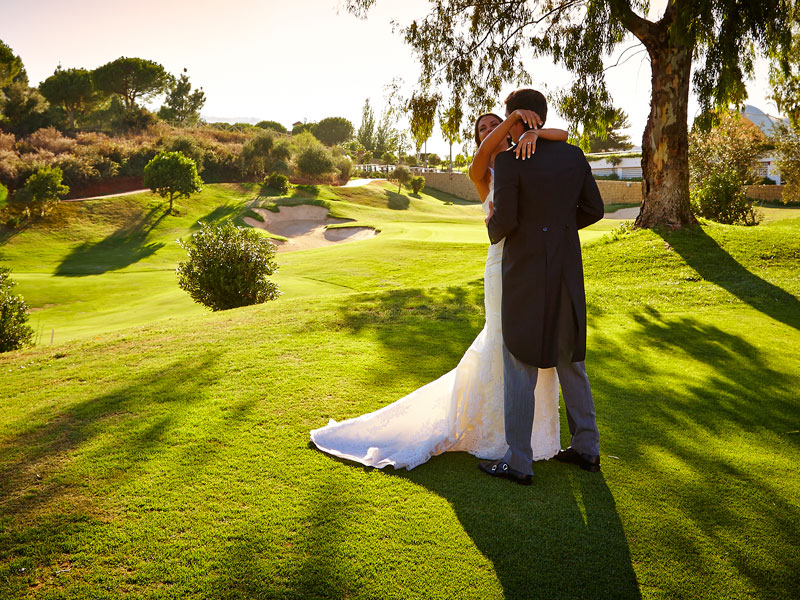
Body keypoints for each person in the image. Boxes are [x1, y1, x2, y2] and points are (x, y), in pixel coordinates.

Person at [309, 108, 569, 470]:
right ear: (479, 138)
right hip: (502, 264)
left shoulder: (526, 158)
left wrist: (533, 134)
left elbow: (565, 136)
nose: (491, 130)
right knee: (502, 338)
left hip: (534, 265)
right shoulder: (482, 171)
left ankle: (532, 435)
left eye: (496, 125)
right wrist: (512, 121)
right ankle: (497, 433)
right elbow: (486, 157)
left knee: (533, 340)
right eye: (484, 128)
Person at [479, 88, 605, 486]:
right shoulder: (574, 155)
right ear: (543, 115)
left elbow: (506, 222)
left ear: (516, 118)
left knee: (519, 359)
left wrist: (491, 225)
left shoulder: (510, 160)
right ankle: (587, 447)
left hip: (525, 272)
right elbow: (595, 210)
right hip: (567, 268)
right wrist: (560, 232)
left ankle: (519, 460)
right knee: (571, 359)